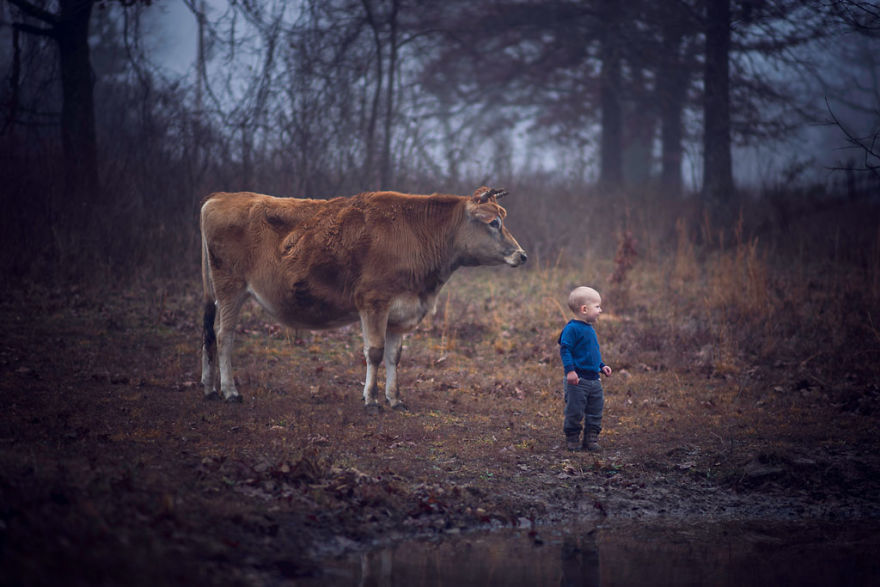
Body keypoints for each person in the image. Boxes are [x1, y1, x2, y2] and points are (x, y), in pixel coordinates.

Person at [558, 286, 612, 452]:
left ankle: (591, 439)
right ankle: (572, 438)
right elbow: (565, 350)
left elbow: (590, 353)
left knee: (596, 410)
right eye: (597, 306)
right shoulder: (572, 329)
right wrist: (570, 371)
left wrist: (601, 366)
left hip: (594, 380)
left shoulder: (589, 328)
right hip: (578, 380)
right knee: (575, 411)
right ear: (584, 309)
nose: (600, 310)